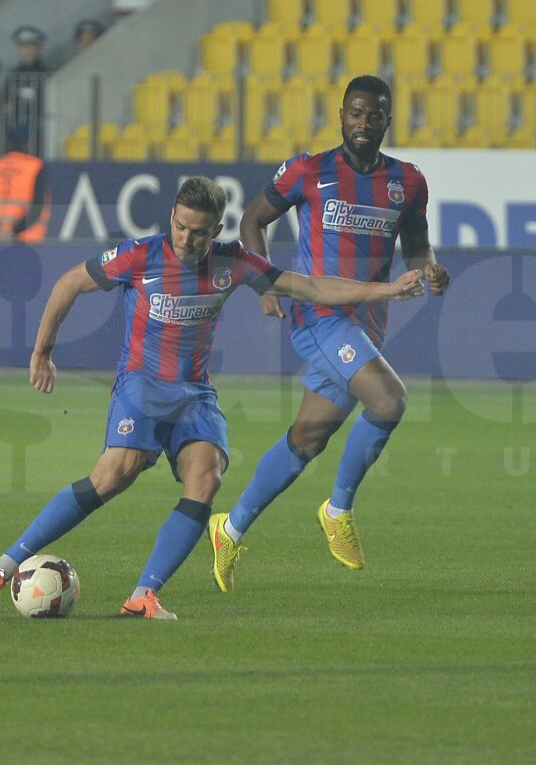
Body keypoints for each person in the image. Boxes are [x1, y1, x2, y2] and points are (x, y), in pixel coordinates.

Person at [0, 176, 426, 619]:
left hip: (194, 395)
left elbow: (313, 286)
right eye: (180, 226)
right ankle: (1, 568)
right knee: (115, 474)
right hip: (141, 386)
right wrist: (42, 351)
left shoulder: (232, 262)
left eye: (198, 233)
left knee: (206, 479)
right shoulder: (139, 256)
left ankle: (144, 595)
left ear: (216, 231)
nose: (186, 239)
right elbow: (68, 284)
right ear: (171, 218)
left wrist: (388, 289)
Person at [206, 74, 450, 594]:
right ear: (341, 115)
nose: (364, 124)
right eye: (356, 114)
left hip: (367, 323)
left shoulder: (407, 181)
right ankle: (338, 509)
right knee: (389, 401)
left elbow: (417, 247)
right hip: (318, 317)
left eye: (375, 115)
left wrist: (430, 269)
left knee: (308, 437)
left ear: (387, 119)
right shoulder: (308, 170)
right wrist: (264, 284)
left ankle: (229, 528)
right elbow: (252, 222)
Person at [0, 125, 50, 242]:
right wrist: (15, 231)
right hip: (29, 238)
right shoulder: (35, 166)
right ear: (28, 144)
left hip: (0, 239)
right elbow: (37, 206)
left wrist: (0, 229)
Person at [2, 24, 47, 156]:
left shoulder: (46, 73)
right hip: (15, 134)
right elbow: (4, 103)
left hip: (40, 132)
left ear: (37, 48)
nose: (27, 50)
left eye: (30, 46)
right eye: (23, 46)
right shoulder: (12, 75)